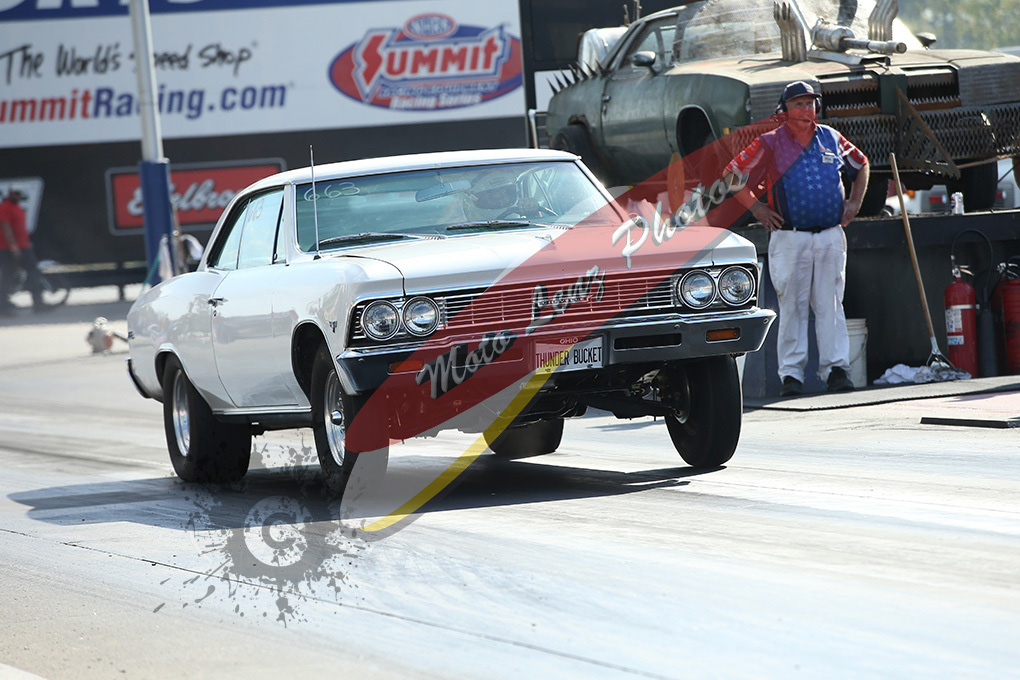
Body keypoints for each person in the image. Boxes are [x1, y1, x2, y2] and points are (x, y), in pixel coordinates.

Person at [722, 81, 870, 395]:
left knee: (832, 304)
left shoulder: (831, 137)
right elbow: (732, 173)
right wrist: (757, 209)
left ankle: (836, 370)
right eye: (798, 104)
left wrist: (855, 202)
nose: (806, 110)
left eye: (810, 103)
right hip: (790, 237)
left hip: (830, 235)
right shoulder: (770, 141)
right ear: (784, 110)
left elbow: (861, 164)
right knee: (792, 307)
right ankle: (791, 376)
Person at [0, 187, 51, 314]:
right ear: (9, 194)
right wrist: (13, 245)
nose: (16, 196)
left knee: (33, 272)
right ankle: (3, 306)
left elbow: (19, 228)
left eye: (18, 194)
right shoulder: (5, 207)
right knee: (8, 276)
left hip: (22, 246)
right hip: (9, 249)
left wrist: (26, 242)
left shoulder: (17, 208)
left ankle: (38, 303)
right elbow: (6, 227)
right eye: (14, 194)